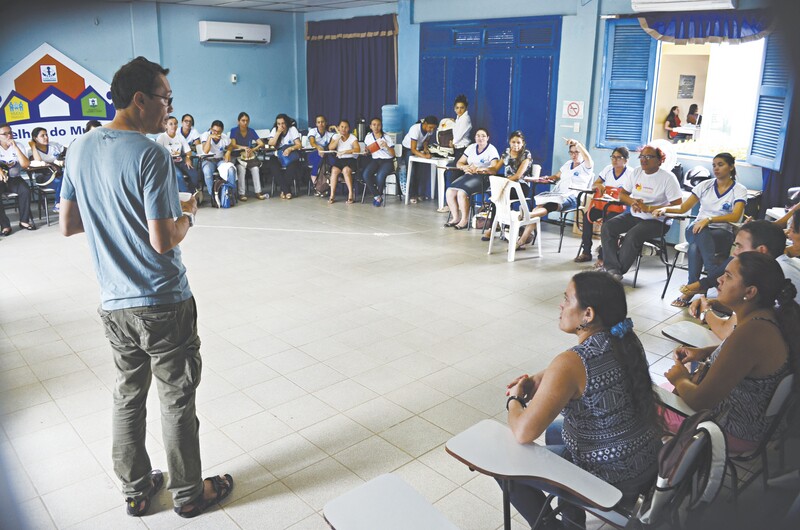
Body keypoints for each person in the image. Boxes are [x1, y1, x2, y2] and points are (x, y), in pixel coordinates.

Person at [59, 56, 232, 519]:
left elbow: (69, 224)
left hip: (114, 303)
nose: (168, 110)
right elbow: (161, 240)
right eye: (165, 99)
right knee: (176, 396)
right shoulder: (151, 152)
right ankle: (190, 494)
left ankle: (136, 490)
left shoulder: (78, 150)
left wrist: (113, 219)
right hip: (162, 301)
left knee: (128, 394)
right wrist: (189, 214)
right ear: (140, 100)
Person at [503, 271, 661, 529]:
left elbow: (523, 432)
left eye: (567, 299)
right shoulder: (625, 339)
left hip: (613, 478)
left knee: (508, 465)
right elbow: (576, 371)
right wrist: (545, 378)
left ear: (587, 314)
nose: (561, 305)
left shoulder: (572, 362)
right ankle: (571, 520)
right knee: (557, 431)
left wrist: (514, 400)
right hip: (646, 462)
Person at [665, 252, 799, 454]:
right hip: (754, 423)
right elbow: (747, 359)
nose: (719, 279)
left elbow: (700, 401)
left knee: (643, 402)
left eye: (728, 276)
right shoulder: (767, 316)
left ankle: (654, 469)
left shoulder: (751, 333)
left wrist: (680, 379)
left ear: (750, 291)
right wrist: (704, 352)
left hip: (731, 429)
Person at [654, 153, 747, 307]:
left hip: (722, 233)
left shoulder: (739, 189)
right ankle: (712, 274)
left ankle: (691, 289)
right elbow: (684, 207)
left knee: (695, 246)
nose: (716, 168)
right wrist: (664, 208)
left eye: (721, 164)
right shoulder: (705, 185)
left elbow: (736, 216)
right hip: (696, 229)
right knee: (698, 231)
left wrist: (709, 219)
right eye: (714, 165)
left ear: (731, 167)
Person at [688, 219, 800, 340]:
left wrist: (706, 312)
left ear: (761, 251)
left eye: (739, 246)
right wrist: (714, 303)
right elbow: (752, 307)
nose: (735, 253)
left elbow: (728, 332)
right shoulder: (779, 266)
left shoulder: (773, 275)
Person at [600, 145, 682, 280]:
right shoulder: (637, 172)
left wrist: (650, 208)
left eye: (649, 156)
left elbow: (678, 205)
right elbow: (623, 195)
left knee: (633, 235)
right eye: (642, 156)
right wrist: (632, 202)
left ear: (660, 160)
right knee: (608, 227)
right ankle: (613, 269)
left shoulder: (668, 178)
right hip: (634, 215)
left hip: (657, 221)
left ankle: (615, 272)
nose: (644, 160)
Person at [516, 139, 594, 251]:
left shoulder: (587, 166)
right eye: (571, 152)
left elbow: (588, 157)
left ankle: (528, 216)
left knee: (549, 205)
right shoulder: (567, 164)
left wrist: (578, 144)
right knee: (538, 207)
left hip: (573, 198)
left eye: (577, 152)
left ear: (582, 152)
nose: (574, 155)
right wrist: (545, 178)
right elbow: (556, 176)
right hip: (558, 195)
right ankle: (521, 241)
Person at [574, 147, 629, 263]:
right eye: (613, 157)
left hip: (620, 208)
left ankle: (602, 257)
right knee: (587, 217)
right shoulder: (608, 169)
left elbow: (632, 194)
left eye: (619, 157)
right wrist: (599, 185)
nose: (615, 160)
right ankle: (586, 251)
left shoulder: (631, 173)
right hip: (603, 205)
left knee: (608, 224)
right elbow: (595, 184)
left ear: (626, 160)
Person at [443, 128, 502, 229]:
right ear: (475, 137)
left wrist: (479, 169)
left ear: (488, 138)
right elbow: (459, 162)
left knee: (461, 193)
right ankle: (455, 218)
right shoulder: (471, 147)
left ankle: (464, 220)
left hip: (483, 178)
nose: (480, 138)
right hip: (468, 175)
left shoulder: (491, 149)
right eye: (478, 135)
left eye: (483, 136)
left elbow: (494, 169)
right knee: (450, 191)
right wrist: (464, 167)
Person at [481, 130, 532, 241]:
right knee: (496, 198)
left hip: (520, 186)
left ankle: (501, 226)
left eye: (518, 142)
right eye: (513, 142)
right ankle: (495, 226)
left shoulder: (526, 155)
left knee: (498, 196)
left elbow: (518, 176)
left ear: (522, 143)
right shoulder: (506, 153)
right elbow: (495, 169)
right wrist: (483, 170)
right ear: (509, 142)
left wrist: (502, 184)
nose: (516, 145)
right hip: (506, 185)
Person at [0, 123, 35, 234]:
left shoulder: (18, 145)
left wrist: (15, 148)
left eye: (10, 132)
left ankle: (24, 221)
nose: (9, 135)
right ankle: (5, 225)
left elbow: (25, 165)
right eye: (4, 134)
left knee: (25, 190)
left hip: (15, 179)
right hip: (1, 180)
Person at [156, 116, 201, 199]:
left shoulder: (179, 136)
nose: (174, 126)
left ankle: (190, 194)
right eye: (171, 124)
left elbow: (188, 151)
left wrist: (187, 158)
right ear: (166, 126)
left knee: (194, 174)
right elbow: (157, 154)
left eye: (175, 124)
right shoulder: (161, 137)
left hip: (180, 161)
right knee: (179, 176)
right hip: (168, 163)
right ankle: (188, 199)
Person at [27, 126, 66, 213]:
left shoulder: (54, 145)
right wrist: (33, 146)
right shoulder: (32, 151)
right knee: (64, 182)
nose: (46, 137)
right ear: (35, 138)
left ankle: (66, 206)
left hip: (59, 175)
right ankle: (58, 204)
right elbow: (38, 162)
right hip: (43, 177)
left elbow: (69, 152)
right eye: (42, 136)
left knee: (67, 180)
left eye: (46, 135)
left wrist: (62, 161)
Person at [264, 113, 303, 200]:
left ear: (287, 123)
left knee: (292, 166)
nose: (281, 125)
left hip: (290, 155)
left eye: (283, 123)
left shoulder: (292, 129)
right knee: (273, 165)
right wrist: (278, 132)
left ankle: (283, 191)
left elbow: (299, 145)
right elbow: (271, 143)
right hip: (278, 155)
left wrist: (290, 149)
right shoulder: (275, 130)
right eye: (279, 124)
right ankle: (287, 190)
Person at [400, 115, 438, 204]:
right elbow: (413, 149)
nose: (431, 130)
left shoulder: (429, 131)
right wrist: (424, 156)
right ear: (425, 124)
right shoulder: (415, 129)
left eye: (433, 128)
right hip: (408, 149)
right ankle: (412, 195)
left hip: (418, 148)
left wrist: (425, 149)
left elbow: (425, 140)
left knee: (419, 172)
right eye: (430, 127)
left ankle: (418, 193)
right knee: (411, 172)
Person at [230, 111, 267, 201]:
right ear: (238, 121)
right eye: (243, 120)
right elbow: (233, 144)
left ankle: (258, 192)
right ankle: (241, 194)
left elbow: (261, 143)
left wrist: (253, 149)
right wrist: (244, 147)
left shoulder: (251, 131)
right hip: (238, 157)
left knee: (255, 169)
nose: (245, 122)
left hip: (250, 157)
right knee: (241, 170)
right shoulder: (234, 130)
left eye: (247, 120)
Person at [362, 117, 396, 207]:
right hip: (375, 160)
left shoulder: (386, 137)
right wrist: (366, 152)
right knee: (366, 175)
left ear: (381, 126)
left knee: (380, 176)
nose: (376, 127)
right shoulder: (368, 137)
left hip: (387, 161)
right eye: (374, 125)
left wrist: (387, 146)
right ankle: (377, 196)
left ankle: (379, 195)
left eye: (378, 125)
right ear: (370, 126)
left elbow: (393, 154)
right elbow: (368, 151)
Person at [198, 120, 236, 200]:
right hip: (208, 160)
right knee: (207, 172)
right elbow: (205, 151)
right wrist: (210, 138)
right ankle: (213, 196)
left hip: (220, 160)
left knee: (231, 170)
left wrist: (228, 152)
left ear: (222, 131)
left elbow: (231, 146)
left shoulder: (224, 136)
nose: (216, 133)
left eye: (218, 131)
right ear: (211, 129)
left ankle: (229, 194)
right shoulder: (205, 135)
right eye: (214, 130)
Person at [327, 119, 360, 204]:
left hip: (350, 159)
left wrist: (346, 151)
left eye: (346, 127)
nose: (343, 129)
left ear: (348, 128)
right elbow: (331, 147)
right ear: (338, 127)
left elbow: (357, 149)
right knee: (334, 170)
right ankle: (332, 195)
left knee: (346, 170)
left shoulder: (352, 137)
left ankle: (350, 194)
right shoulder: (335, 136)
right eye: (341, 127)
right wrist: (338, 138)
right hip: (340, 160)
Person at [307, 114, 335, 194]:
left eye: (322, 122)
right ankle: (316, 184)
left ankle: (322, 185)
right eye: (318, 122)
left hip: (324, 155)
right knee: (320, 158)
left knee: (328, 159)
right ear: (316, 124)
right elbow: (312, 142)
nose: (320, 124)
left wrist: (335, 128)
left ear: (325, 123)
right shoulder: (313, 131)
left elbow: (340, 136)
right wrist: (319, 148)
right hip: (312, 153)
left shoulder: (329, 134)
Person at [450, 94, 472, 162]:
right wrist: (454, 122)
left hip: (462, 149)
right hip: (458, 149)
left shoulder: (465, 119)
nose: (459, 110)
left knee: (458, 171)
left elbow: (459, 135)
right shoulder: (459, 118)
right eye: (457, 108)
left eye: (462, 108)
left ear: (466, 108)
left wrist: (452, 142)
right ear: (454, 109)